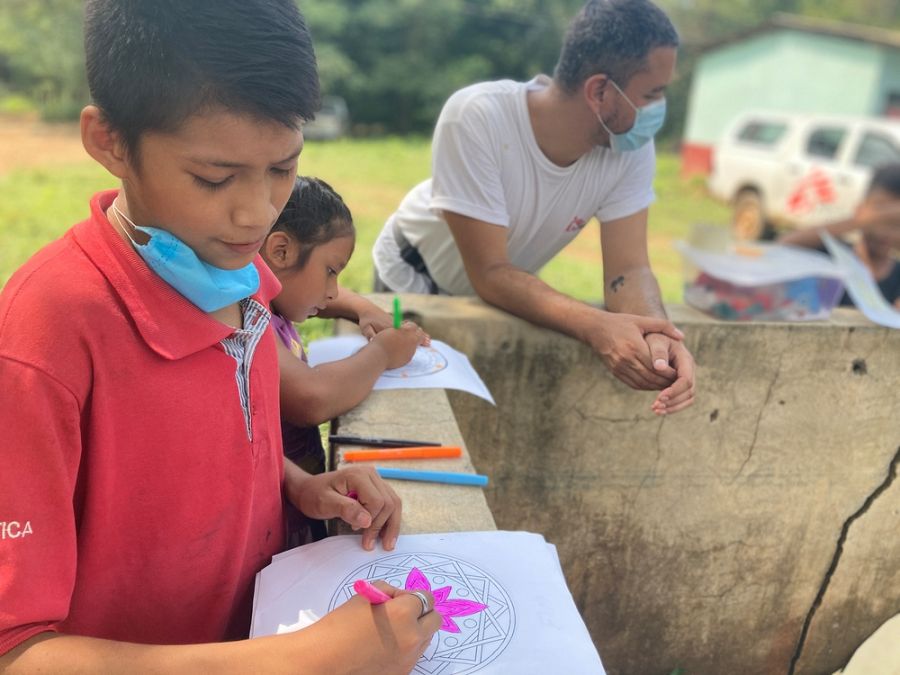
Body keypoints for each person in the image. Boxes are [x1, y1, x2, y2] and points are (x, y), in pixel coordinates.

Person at [0, 1, 440, 672]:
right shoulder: (46, 338)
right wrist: (298, 661)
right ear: (110, 141)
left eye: (282, 168)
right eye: (214, 177)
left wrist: (294, 484)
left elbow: (214, 442)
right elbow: (19, 649)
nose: (257, 212)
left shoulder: (242, 278)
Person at [372, 0, 695, 416]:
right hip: (412, 281)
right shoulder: (478, 117)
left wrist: (660, 335)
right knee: (405, 417)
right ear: (599, 91)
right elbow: (490, 272)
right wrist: (597, 327)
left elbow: (628, 270)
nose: (657, 110)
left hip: (499, 292)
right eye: (651, 95)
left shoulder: (629, 148)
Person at [262, 176, 428, 545]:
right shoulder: (248, 314)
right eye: (331, 271)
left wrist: (362, 309)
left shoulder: (270, 295)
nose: (333, 290)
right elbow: (311, 398)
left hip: (298, 495)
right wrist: (382, 353)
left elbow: (313, 288)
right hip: (274, 516)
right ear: (281, 251)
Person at [778, 163, 900, 308]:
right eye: (879, 218)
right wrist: (859, 221)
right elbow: (784, 244)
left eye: (895, 224)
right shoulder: (834, 256)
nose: (884, 231)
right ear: (860, 209)